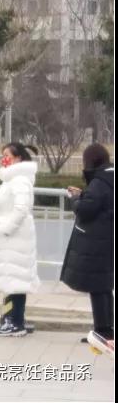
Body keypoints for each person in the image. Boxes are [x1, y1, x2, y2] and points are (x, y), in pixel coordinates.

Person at [61, 143, 114, 349]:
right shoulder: (110, 177)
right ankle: (107, 331)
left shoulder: (99, 182)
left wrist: (75, 198)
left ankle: (102, 332)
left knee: (97, 287)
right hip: (108, 240)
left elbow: (85, 210)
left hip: (98, 242)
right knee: (104, 287)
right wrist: (84, 194)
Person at [0, 142, 40, 337]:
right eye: (2, 155)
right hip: (9, 239)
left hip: (16, 237)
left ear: (18, 158)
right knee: (11, 280)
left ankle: (16, 322)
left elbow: (21, 209)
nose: (4, 159)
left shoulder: (20, 180)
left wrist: (6, 229)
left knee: (17, 281)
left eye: (7, 155)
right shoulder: (10, 180)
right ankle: (10, 320)